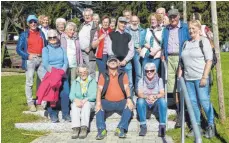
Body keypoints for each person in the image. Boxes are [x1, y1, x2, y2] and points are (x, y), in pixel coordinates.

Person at [179, 20, 215, 139]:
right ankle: (196, 126)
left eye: (193, 28)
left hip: (201, 78)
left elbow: (209, 60)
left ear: (199, 29)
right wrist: (180, 75)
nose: (191, 30)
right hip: (188, 79)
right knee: (193, 103)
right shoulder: (186, 43)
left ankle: (210, 125)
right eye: (189, 28)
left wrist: (205, 77)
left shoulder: (204, 42)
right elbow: (182, 62)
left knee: (204, 101)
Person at [162, 9, 190, 128]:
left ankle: (184, 112)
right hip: (169, 59)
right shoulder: (166, 29)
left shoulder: (184, 27)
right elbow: (164, 43)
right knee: (172, 86)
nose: (173, 19)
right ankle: (179, 111)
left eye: (175, 17)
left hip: (181, 58)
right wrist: (163, 53)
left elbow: (189, 42)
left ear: (179, 16)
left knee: (181, 85)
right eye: (171, 17)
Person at [95, 55, 134, 140]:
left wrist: (129, 98)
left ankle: (120, 128)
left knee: (130, 105)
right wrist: (98, 103)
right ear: (107, 63)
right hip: (107, 102)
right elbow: (99, 89)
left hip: (121, 102)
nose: (113, 62)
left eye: (115, 61)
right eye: (111, 61)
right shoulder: (103, 74)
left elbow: (127, 87)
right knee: (98, 105)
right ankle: (101, 130)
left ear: (118, 63)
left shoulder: (123, 74)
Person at [16, 15, 47, 112]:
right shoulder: (24, 34)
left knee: (45, 81)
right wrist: (27, 56)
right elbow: (18, 49)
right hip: (30, 59)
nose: (33, 24)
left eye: (34, 22)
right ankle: (30, 103)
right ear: (28, 24)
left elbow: (45, 45)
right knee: (29, 82)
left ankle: (43, 102)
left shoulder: (41, 33)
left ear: (37, 22)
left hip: (41, 59)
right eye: (31, 22)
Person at [39, 29, 71, 123]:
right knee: (51, 95)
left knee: (65, 93)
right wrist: (55, 74)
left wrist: (61, 72)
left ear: (57, 37)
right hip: (51, 75)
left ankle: (66, 114)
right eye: (50, 37)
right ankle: (52, 114)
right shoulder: (45, 49)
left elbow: (66, 62)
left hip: (62, 74)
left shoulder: (62, 49)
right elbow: (45, 63)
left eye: (54, 37)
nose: (52, 39)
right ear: (47, 39)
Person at [137, 63, 167, 137]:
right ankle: (143, 126)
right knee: (140, 101)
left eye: (151, 70)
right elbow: (139, 93)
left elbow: (162, 93)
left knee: (162, 101)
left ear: (155, 71)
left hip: (155, 101)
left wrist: (154, 97)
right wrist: (147, 97)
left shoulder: (159, 80)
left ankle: (162, 127)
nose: (149, 72)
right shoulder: (141, 80)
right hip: (146, 101)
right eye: (147, 71)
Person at [108, 17, 135, 98]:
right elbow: (109, 49)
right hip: (115, 63)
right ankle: (118, 98)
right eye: (121, 22)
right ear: (118, 23)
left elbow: (131, 50)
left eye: (125, 23)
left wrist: (125, 61)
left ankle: (129, 99)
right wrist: (116, 60)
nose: (123, 24)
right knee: (116, 82)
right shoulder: (111, 35)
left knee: (129, 82)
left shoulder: (128, 36)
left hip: (127, 63)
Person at [70, 64, 97, 139]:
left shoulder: (92, 81)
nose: (83, 74)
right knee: (75, 105)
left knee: (86, 104)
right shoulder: (75, 82)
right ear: (78, 73)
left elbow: (94, 94)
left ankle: (84, 128)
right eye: (81, 72)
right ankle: (76, 128)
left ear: (87, 72)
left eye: (84, 72)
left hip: (89, 102)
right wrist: (76, 100)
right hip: (78, 102)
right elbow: (71, 95)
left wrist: (86, 99)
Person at [125, 15, 146, 92]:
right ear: (130, 21)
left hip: (137, 52)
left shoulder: (143, 31)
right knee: (128, 72)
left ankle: (138, 90)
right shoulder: (126, 30)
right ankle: (130, 91)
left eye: (136, 21)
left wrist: (142, 47)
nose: (134, 22)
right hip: (128, 52)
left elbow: (144, 41)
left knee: (139, 73)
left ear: (138, 21)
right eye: (133, 21)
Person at [78, 8, 97, 78]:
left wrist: (90, 47)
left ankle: (92, 88)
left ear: (92, 16)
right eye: (85, 15)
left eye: (89, 15)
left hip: (90, 52)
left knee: (91, 71)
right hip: (81, 52)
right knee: (83, 72)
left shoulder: (95, 26)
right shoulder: (82, 25)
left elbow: (97, 40)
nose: (87, 16)